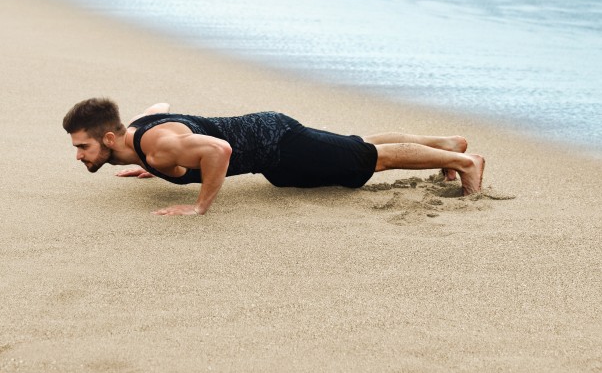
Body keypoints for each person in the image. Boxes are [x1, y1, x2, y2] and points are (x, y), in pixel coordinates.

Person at [62, 97, 485, 216]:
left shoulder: (159, 146)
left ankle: (467, 164)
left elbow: (219, 149)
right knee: (355, 144)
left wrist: (199, 206)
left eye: (83, 146)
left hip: (277, 145)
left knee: (367, 159)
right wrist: (150, 166)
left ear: (111, 137)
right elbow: (158, 108)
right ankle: (447, 146)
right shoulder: (142, 136)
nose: (79, 155)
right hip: (272, 137)